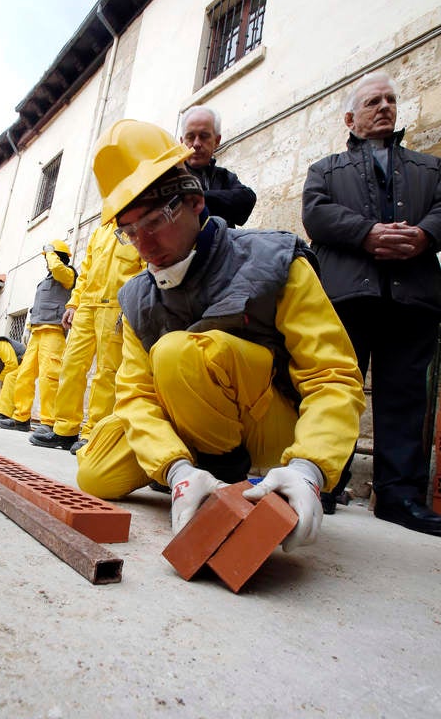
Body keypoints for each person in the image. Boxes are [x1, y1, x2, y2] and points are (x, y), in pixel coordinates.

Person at [76, 119, 365, 552]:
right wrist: (174, 469)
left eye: (155, 220)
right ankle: (195, 472)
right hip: (195, 414)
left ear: (195, 202)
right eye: (130, 231)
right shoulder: (137, 296)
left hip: (270, 430)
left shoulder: (274, 260)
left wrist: (311, 466)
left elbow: (332, 375)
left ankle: (240, 481)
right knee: (96, 471)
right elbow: (135, 394)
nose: (144, 243)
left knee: (176, 354)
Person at [302, 71, 441, 536]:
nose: (384, 107)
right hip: (348, 296)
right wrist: (367, 233)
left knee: (405, 395)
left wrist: (424, 235)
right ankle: (325, 482)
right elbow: (316, 214)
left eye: (390, 100)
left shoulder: (428, 168)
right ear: (350, 117)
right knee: (336, 389)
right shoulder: (325, 169)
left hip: (412, 297)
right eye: (372, 102)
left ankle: (400, 497)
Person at [29, 219, 144, 452]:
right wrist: (73, 303)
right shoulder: (100, 230)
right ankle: (64, 430)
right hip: (86, 307)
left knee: (106, 371)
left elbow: (144, 269)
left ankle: (94, 432)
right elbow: (86, 272)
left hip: (115, 306)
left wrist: (131, 303)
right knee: (70, 366)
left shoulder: (139, 224)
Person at [0, 240, 77, 432]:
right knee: (24, 375)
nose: (46, 261)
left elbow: (58, 269)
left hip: (54, 332)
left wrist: (50, 254)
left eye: (49, 256)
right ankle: (20, 418)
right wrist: (28, 326)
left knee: (49, 376)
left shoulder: (68, 274)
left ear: (57, 256)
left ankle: (48, 422)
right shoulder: (45, 281)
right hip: (37, 332)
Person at [180, 105, 256, 227]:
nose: (196, 144)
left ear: (217, 141)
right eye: (190, 137)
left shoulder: (225, 176)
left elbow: (246, 201)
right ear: (181, 142)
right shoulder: (171, 176)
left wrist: (200, 197)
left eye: (204, 136)